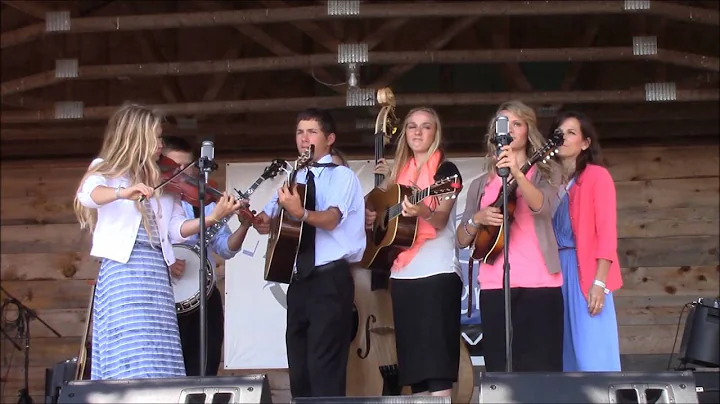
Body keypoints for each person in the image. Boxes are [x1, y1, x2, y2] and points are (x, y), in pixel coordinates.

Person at [73, 103, 242, 380]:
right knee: (130, 346)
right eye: (156, 137)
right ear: (136, 137)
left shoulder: (162, 178)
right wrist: (123, 192)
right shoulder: (106, 170)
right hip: (124, 271)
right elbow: (88, 195)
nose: (160, 145)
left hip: (155, 269)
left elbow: (176, 229)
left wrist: (213, 218)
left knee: (158, 347)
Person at [252, 108, 366, 398]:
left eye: (312, 132)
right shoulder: (293, 176)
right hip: (299, 279)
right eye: (300, 132)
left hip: (330, 279)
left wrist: (300, 212)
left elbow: (331, 219)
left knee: (324, 365)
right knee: (299, 366)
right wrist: (252, 219)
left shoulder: (342, 176)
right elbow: (267, 224)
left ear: (329, 138)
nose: (304, 138)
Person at [455, 100, 564, 372]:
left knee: (542, 368)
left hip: (539, 283)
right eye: (505, 124)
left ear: (529, 130)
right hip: (495, 284)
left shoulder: (548, 172)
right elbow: (461, 239)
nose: (511, 130)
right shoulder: (481, 184)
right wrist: (476, 219)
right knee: (500, 368)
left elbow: (543, 207)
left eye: (518, 123)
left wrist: (517, 171)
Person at [365, 107, 462, 397]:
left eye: (426, 127)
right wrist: (374, 217)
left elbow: (441, 220)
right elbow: (379, 211)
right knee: (416, 374)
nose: (418, 132)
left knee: (437, 372)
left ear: (436, 132)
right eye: (411, 127)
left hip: (436, 273)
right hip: (403, 274)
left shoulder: (446, 172)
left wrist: (423, 211)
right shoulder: (397, 175)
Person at [161, 135, 252, 376]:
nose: (180, 173)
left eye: (186, 168)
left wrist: (243, 226)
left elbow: (224, 248)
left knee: (205, 368)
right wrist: (165, 263)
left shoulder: (207, 203)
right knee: (167, 370)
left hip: (204, 295)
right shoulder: (157, 201)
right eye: (174, 167)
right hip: (166, 299)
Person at [549, 111, 622, 371]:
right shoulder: (550, 181)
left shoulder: (596, 176)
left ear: (585, 143)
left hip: (587, 271)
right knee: (564, 356)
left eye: (572, 133)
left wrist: (599, 283)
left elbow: (606, 233)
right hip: (557, 272)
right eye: (560, 133)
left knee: (592, 355)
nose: (564, 138)